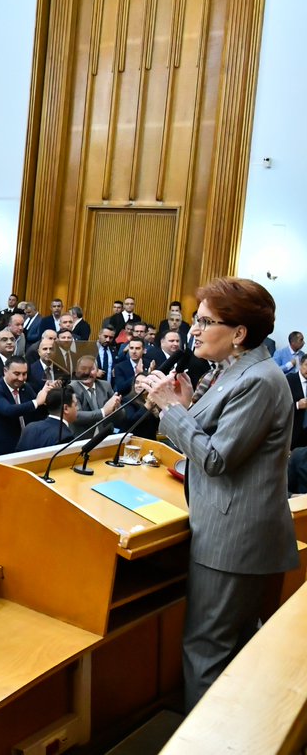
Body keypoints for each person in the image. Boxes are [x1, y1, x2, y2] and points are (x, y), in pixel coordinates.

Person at [137, 277, 298, 711]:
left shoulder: (259, 380)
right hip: (230, 529)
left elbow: (215, 459)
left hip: (233, 539)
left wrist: (171, 410)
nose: (194, 328)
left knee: (207, 651)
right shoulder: (234, 372)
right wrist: (185, 407)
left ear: (239, 333)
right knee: (231, 649)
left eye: (205, 321)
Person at [0, 357, 55, 466]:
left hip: (22, 447)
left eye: (24, 374)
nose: (21, 378)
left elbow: (37, 411)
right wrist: (37, 401)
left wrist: (48, 395)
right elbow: (8, 410)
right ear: (5, 371)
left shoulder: (26, 388)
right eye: (16, 374)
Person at [16, 386, 76, 451]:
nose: (77, 409)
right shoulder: (65, 437)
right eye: (75, 405)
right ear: (66, 408)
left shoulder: (29, 428)